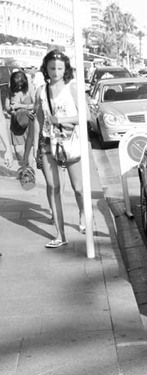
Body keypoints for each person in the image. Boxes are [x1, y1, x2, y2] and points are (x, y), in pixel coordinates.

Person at [26, 49, 84, 249]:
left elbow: (83, 118)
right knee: (54, 187)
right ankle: (60, 234)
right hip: (47, 143)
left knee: (78, 188)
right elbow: (38, 120)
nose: (56, 72)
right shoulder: (41, 91)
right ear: (46, 69)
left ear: (66, 69)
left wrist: (61, 119)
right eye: (52, 68)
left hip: (69, 142)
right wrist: (35, 146)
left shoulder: (72, 88)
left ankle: (83, 212)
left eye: (60, 68)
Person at [5, 70, 36, 165]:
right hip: (16, 123)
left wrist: (20, 106)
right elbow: (7, 106)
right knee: (18, 150)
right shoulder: (10, 89)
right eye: (17, 85)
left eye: (21, 84)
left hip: (29, 122)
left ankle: (28, 171)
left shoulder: (30, 88)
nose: (19, 87)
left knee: (28, 149)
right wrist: (11, 110)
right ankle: (24, 167)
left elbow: (36, 105)